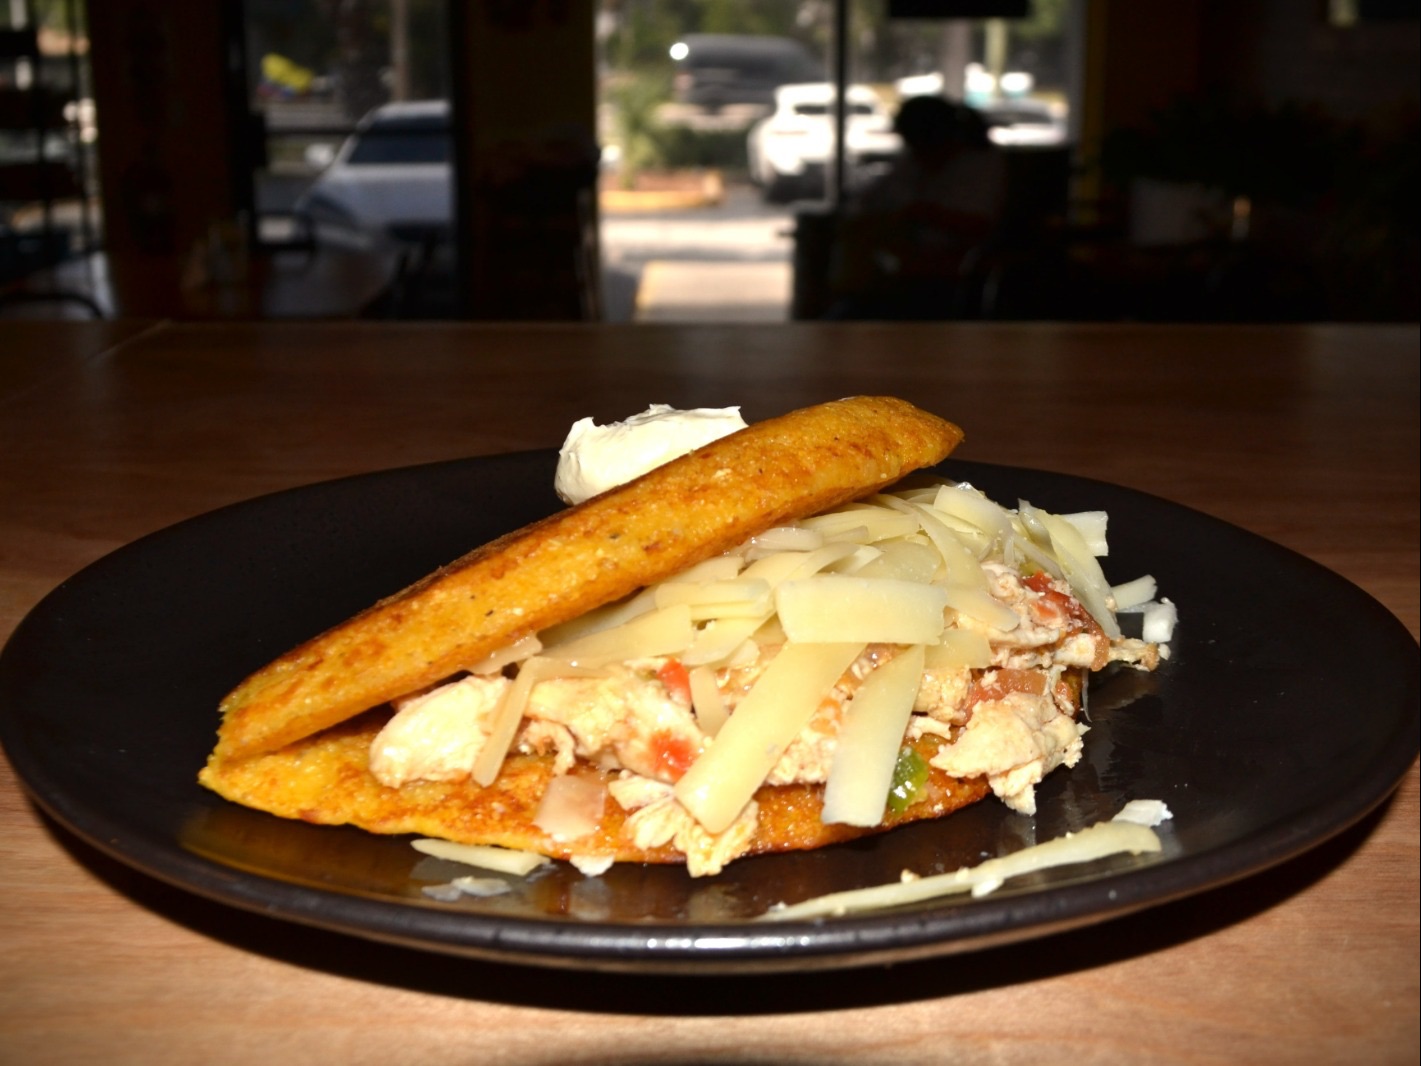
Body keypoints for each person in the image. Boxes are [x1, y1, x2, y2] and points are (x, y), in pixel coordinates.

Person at [828, 95, 1008, 319]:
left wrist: (920, 213)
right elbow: (871, 201)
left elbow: (978, 226)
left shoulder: (979, 165)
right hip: (906, 261)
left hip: (956, 265)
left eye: (914, 139)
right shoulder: (913, 161)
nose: (912, 146)